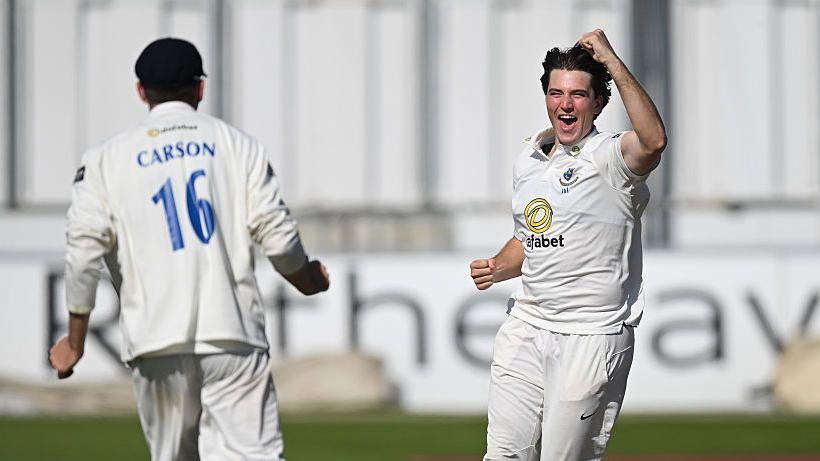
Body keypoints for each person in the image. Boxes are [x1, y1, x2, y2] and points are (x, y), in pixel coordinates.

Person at [48, 37, 329, 461]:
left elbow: (84, 252)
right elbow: (276, 233)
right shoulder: (238, 145)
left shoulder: (105, 159)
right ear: (200, 88)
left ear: (141, 91)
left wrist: (75, 340)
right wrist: (307, 279)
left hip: (155, 340)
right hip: (232, 336)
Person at [470, 29, 666, 460]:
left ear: (599, 102)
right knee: (503, 456)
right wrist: (500, 265)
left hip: (591, 335)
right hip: (527, 325)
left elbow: (653, 141)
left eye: (579, 94)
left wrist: (613, 62)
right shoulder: (531, 157)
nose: (566, 104)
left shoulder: (613, 158)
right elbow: (532, 236)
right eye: (556, 93)